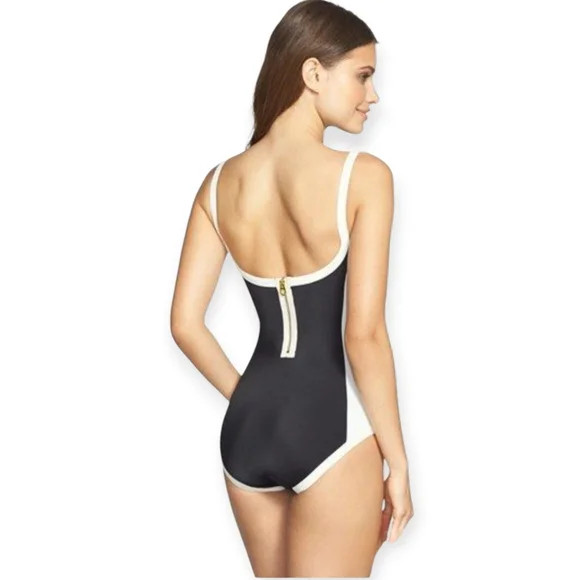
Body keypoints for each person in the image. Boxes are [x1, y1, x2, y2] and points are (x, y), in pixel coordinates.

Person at [170, 0, 413, 576]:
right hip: (329, 433)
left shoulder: (218, 184)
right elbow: (364, 336)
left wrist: (255, 402)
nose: (373, 95)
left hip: (247, 434)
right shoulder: (364, 178)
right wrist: (398, 462)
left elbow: (184, 324)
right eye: (362, 75)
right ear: (312, 73)